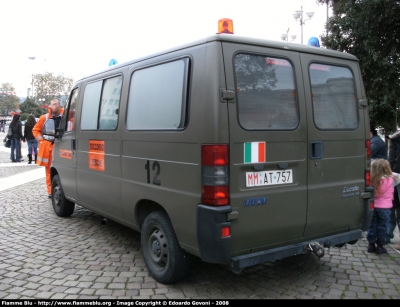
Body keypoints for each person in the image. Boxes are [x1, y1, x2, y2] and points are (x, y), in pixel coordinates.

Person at [33, 99, 64, 198]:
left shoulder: (66, 117)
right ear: (50, 106)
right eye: (53, 105)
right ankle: (50, 191)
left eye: (56, 104)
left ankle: (63, 189)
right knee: (49, 170)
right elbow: (35, 130)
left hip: (62, 146)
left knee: (63, 169)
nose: (54, 106)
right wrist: (42, 141)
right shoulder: (44, 118)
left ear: (59, 105)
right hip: (49, 147)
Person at [366, 159, 398, 254]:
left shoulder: (372, 180)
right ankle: (380, 246)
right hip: (385, 208)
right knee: (382, 226)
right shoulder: (392, 179)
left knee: (372, 225)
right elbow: (397, 176)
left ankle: (371, 245)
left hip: (373, 207)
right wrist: (391, 173)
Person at [386, 129, 400, 246]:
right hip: (396, 175)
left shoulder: (394, 139)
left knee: (391, 204)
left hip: (395, 175)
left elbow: (391, 158)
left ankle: (387, 234)